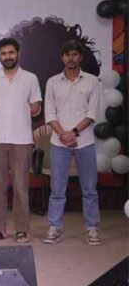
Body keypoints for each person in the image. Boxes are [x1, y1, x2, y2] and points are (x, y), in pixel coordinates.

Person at [43, 40, 101, 245]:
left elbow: (92, 113)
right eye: (67, 55)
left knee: (89, 189)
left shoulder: (92, 81)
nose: (71, 58)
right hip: (59, 143)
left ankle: (92, 228)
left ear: (81, 57)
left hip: (85, 142)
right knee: (57, 189)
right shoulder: (52, 82)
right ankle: (54, 227)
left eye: (75, 54)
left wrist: (73, 133)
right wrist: (63, 134)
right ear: (62, 58)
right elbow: (49, 113)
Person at [0, 37, 42, 244]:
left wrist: (23, 111)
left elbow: (36, 107)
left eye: (11, 52)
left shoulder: (30, 79)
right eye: (3, 54)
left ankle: (21, 230)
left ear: (18, 53)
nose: (7, 57)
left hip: (22, 139)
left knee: (20, 187)